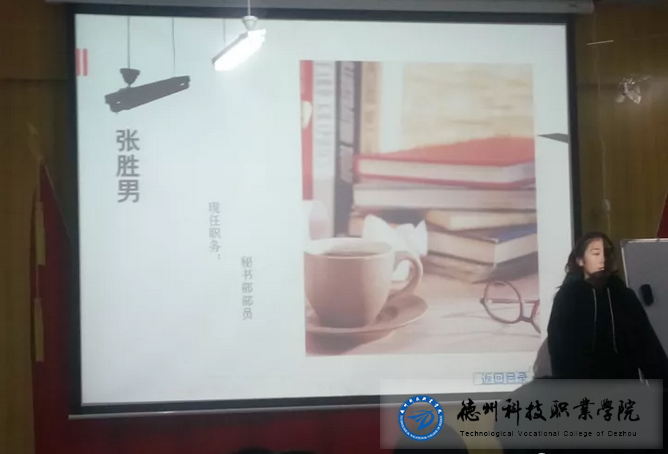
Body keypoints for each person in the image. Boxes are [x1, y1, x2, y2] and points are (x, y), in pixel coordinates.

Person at [547, 231, 668, 380]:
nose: (603, 259)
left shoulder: (624, 296)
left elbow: (648, 346)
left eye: (608, 253)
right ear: (580, 260)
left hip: (625, 388)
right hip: (582, 389)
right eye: (596, 253)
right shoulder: (568, 298)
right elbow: (559, 351)